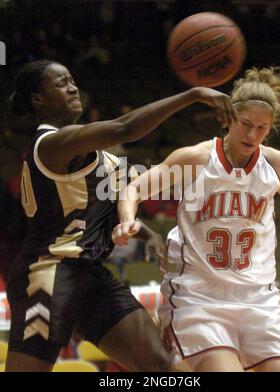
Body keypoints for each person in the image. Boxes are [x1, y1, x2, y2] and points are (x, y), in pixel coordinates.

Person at [5, 60, 234, 372]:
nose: (73, 87)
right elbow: (125, 128)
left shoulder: (103, 159)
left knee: (163, 369)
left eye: (72, 80)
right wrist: (191, 95)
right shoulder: (51, 143)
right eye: (61, 83)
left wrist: (146, 233)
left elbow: (104, 215)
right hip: (49, 275)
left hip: (91, 277)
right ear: (37, 99)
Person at [112, 67, 280, 372]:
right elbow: (135, 187)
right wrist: (127, 220)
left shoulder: (275, 165)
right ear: (228, 118)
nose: (252, 135)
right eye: (245, 124)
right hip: (200, 297)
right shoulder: (197, 159)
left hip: (258, 299)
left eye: (262, 128)